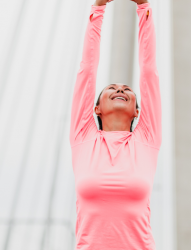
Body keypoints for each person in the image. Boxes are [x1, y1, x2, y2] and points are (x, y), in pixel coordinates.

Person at [69, 0, 161, 249]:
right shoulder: (83, 137)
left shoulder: (147, 139)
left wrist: (143, 7)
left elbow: (149, 72)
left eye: (127, 89)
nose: (120, 88)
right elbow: (86, 71)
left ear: (137, 111)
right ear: (96, 108)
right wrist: (97, 9)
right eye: (111, 88)